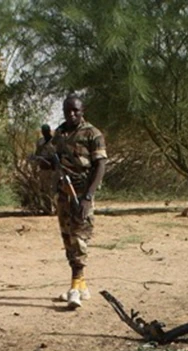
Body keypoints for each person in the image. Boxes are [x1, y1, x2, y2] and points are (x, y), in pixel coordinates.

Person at [52, 96, 107, 309]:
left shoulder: (93, 134)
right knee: (68, 238)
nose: (71, 114)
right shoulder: (60, 133)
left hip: (82, 193)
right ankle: (82, 286)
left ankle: (75, 286)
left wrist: (88, 197)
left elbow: (100, 166)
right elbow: (56, 159)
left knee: (80, 238)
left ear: (83, 110)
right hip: (63, 194)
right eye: (67, 111)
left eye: (75, 110)